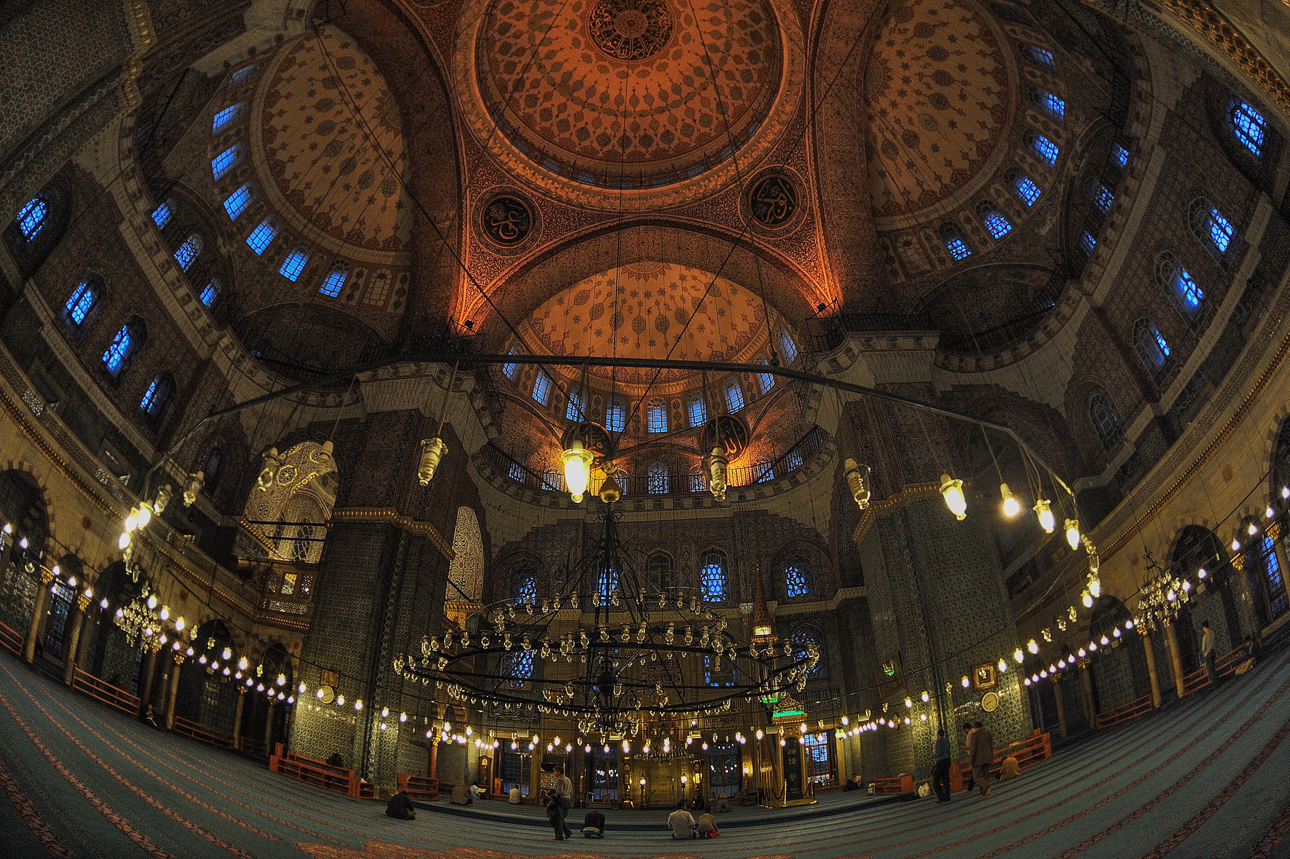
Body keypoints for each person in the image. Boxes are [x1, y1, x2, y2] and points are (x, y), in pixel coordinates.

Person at [968, 721, 994, 797]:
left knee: (976, 777)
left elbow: (973, 749)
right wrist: (991, 758)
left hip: (978, 759)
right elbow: (991, 746)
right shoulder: (987, 733)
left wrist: (971, 761)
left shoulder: (974, 735)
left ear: (976, 727)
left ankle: (987, 786)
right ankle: (983, 792)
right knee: (984, 776)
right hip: (988, 757)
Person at [552, 765, 573, 839]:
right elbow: (571, 791)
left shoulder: (560, 779)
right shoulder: (568, 779)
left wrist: (552, 794)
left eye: (555, 771)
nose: (554, 773)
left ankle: (559, 836)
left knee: (557, 818)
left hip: (561, 800)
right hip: (567, 800)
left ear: (559, 772)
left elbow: (559, 792)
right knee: (560, 818)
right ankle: (567, 832)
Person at [931, 728, 952, 802]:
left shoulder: (938, 742)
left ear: (938, 735)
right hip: (947, 761)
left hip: (941, 762)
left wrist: (933, 756)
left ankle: (941, 797)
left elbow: (938, 752)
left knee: (935, 780)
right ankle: (947, 796)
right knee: (945, 778)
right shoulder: (947, 741)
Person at [1201, 621, 1219, 687]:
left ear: (1204, 627)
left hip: (1208, 653)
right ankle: (1217, 681)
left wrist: (1203, 653)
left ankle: (1215, 684)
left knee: (1211, 671)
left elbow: (1203, 648)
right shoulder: (1212, 633)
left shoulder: (1205, 636)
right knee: (1213, 668)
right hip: (1212, 651)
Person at [960, 722, 976, 792]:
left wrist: (963, 747)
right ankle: (970, 788)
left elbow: (969, 746)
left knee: (974, 772)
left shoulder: (970, 734)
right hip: (976, 754)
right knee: (974, 772)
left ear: (966, 729)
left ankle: (970, 788)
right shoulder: (974, 731)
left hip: (973, 755)